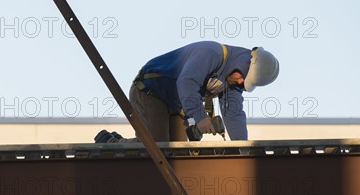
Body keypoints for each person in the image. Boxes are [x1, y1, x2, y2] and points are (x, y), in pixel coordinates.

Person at [95, 41, 279, 143]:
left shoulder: (233, 80)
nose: (240, 82)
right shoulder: (211, 53)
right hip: (150, 92)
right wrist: (201, 118)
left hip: (176, 105)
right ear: (244, 63)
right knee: (158, 149)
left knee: (177, 153)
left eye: (244, 83)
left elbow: (234, 113)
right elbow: (187, 82)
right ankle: (112, 143)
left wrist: (242, 150)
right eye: (242, 77)